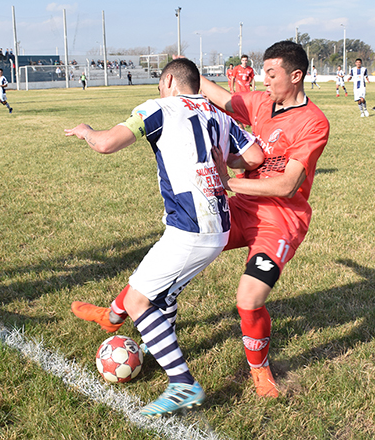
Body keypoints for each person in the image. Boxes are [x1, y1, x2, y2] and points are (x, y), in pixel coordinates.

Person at [75, 41, 330, 401]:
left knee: (249, 299)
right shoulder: (260, 102)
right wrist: (181, 64)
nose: (264, 80)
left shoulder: (313, 121)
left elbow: (289, 185)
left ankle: (259, 370)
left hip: (280, 219)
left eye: (271, 75)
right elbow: (207, 91)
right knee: (176, 252)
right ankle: (117, 314)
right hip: (241, 208)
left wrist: (227, 181)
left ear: (296, 75)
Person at [66, 58, 264, 416]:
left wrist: (86, 130)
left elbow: (107, 144)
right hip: (219, 225)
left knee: (139, 301)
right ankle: (154, 343)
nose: (159, 90)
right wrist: (222, 166)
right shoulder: (220, 116)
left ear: (170, 81)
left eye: (160, 85)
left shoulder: (159, 108)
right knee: (163, 292)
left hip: (190, 228)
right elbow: (254, 156)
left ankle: (182, 383)